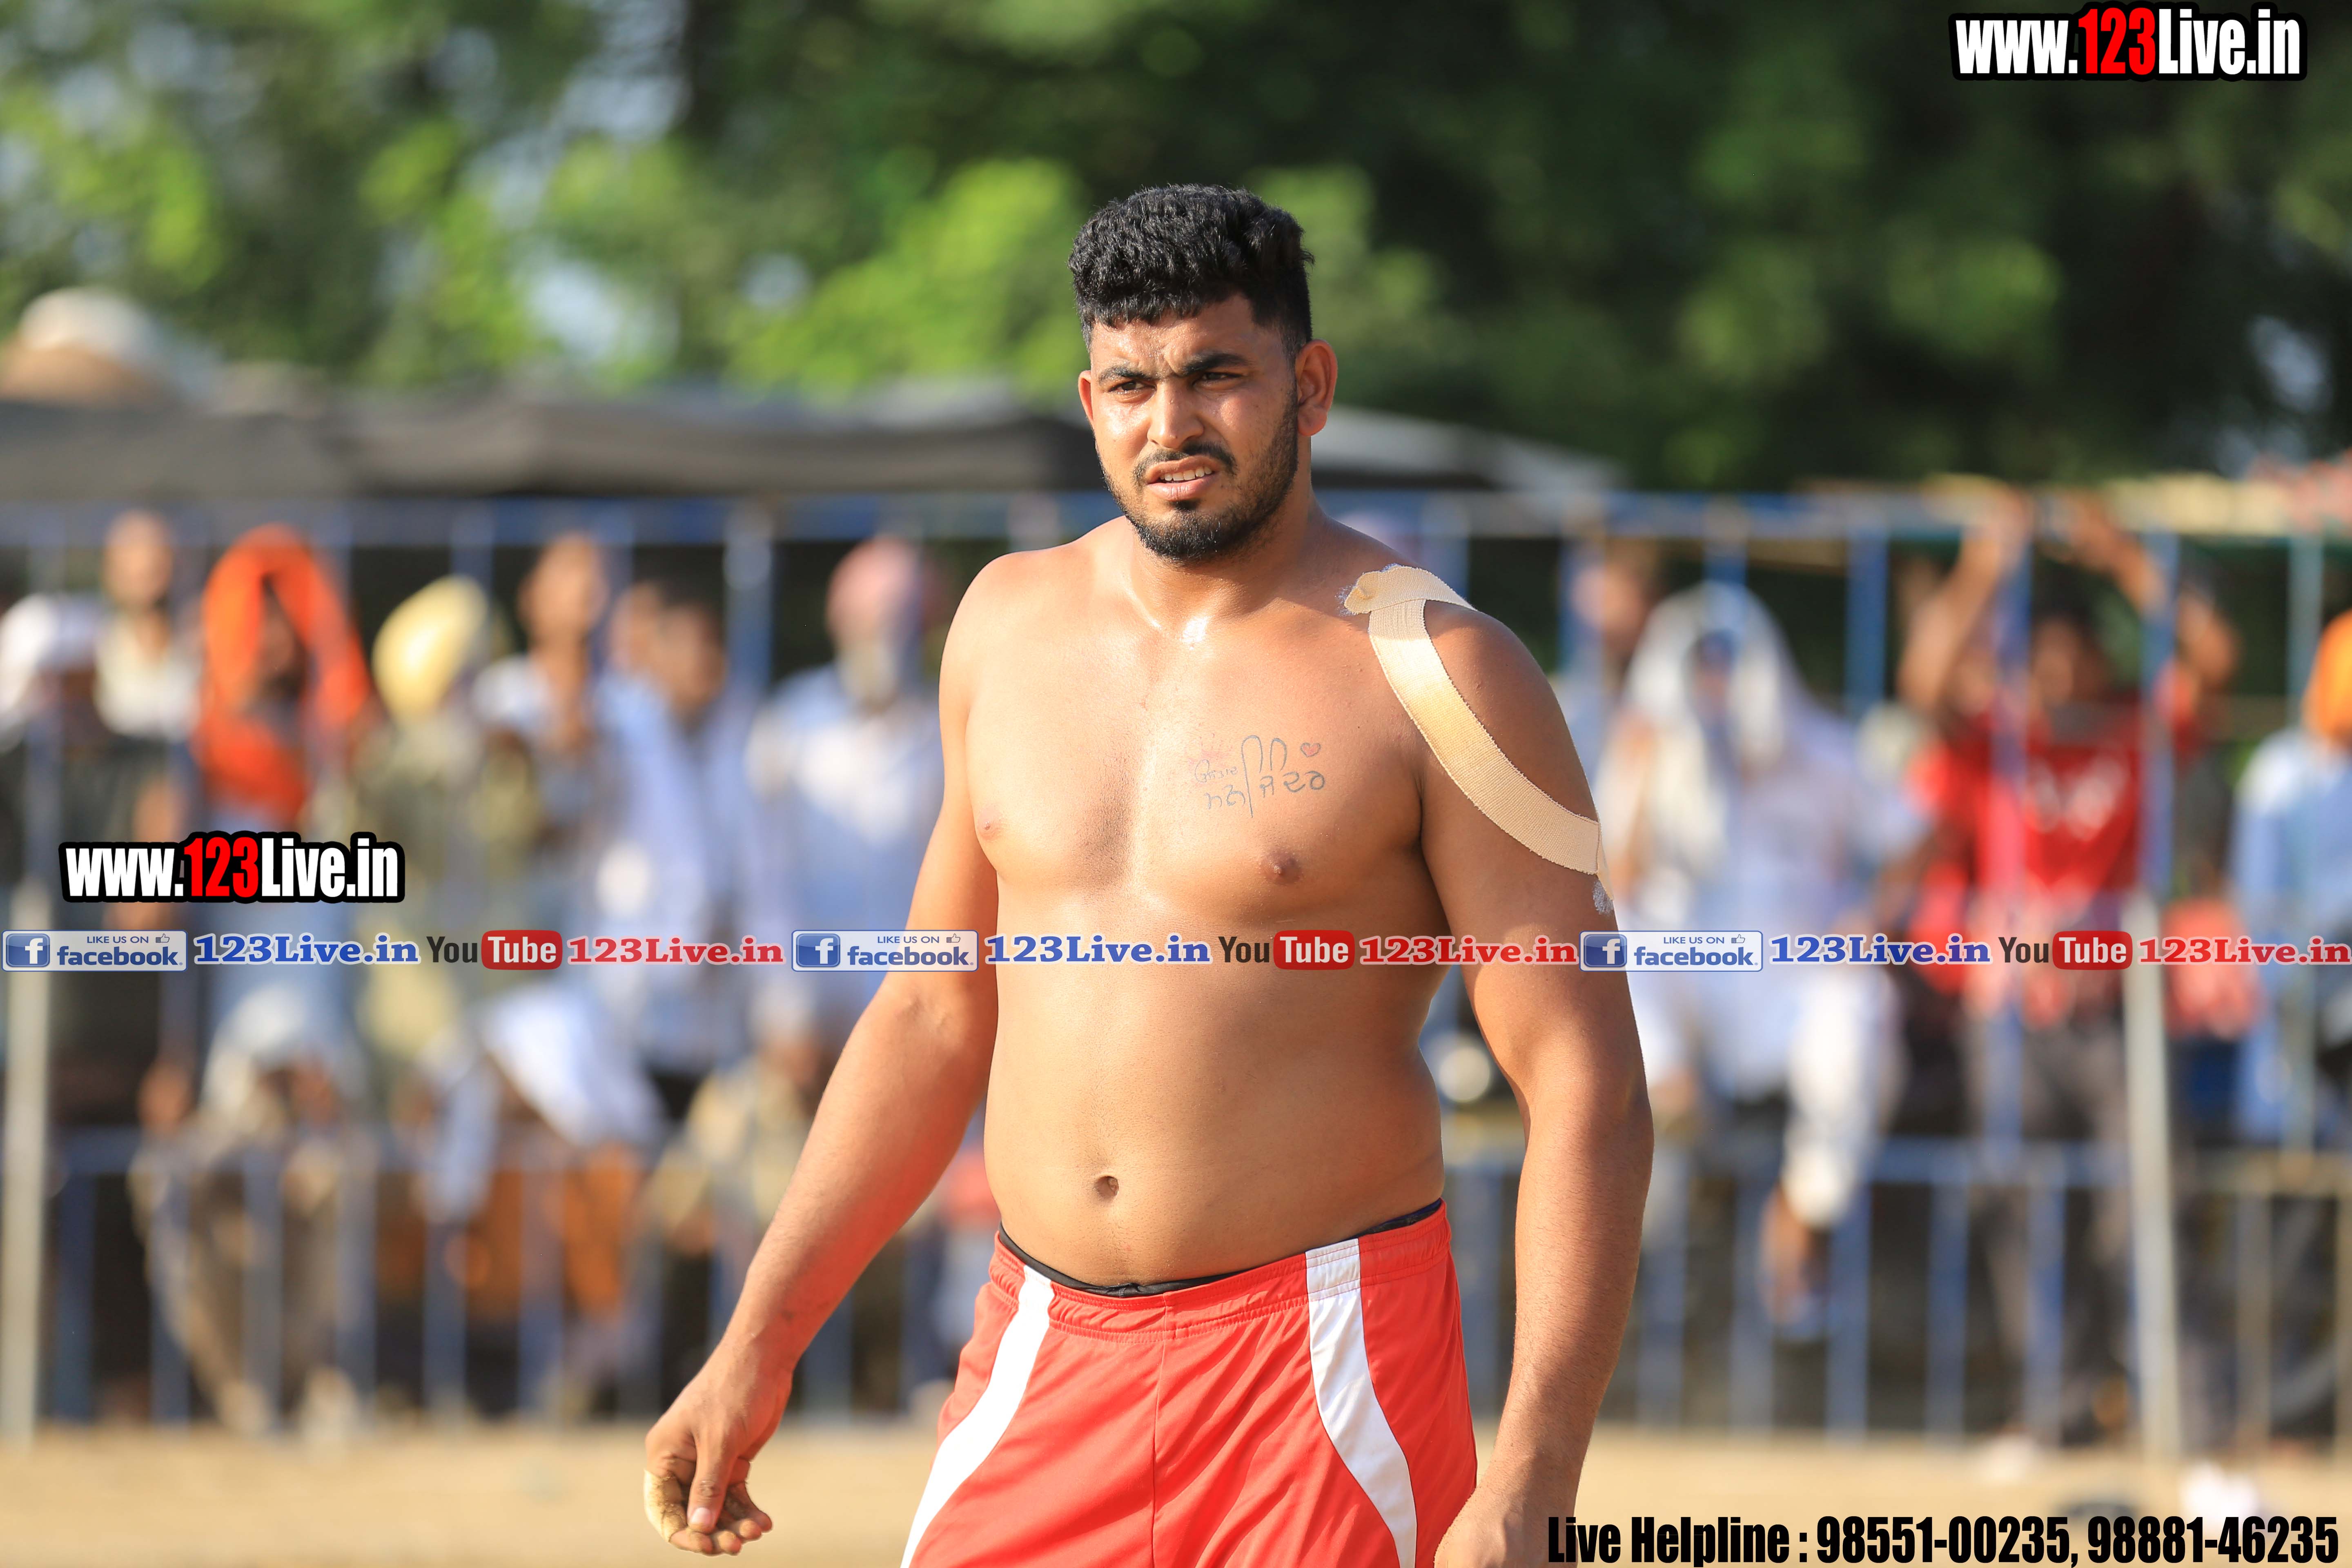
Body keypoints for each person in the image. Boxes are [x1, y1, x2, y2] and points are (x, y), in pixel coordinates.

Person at [644, 185, 1648, 1568]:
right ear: (1090, 399)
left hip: (1323, 1371)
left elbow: (1586, 1080)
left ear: (1310, 385)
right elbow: (933, 1013)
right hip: (1041, 1349)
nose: (1169, 424)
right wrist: (755, 1344)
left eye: (1214, 376)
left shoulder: (1443, 670)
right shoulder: (1003, 624)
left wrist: (1536, 1472)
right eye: (1129, 385)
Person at [1897, 492, 2229, 1441]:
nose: (2057, 673)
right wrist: (1984, 567)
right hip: (2012, 1010)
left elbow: (2214, 657)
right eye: (2041, 656)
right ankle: (2057, 1409)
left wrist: (2124, 558)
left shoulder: (2135, 728)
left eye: (2074, 654)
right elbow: (1922, 682)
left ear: (2101, 658)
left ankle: (2190, 1416)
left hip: (2118, 1009)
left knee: (2150, 1207)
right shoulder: (1996, 736)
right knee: (2020, 1209)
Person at [1595, 582, 1921, 1331]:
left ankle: (1804, 1214)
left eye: (1728, 666)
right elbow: (1615, 880)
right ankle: (1675, 1135)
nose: (1715, 684)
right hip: (1681, 969)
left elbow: (1913, 836)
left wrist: (1868, 918)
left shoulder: (1825, 751)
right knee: (1608, 953)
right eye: (1699, 668)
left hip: (1792, 975)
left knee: (1861, 1009)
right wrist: (1641, 768)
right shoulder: (1646, 749)